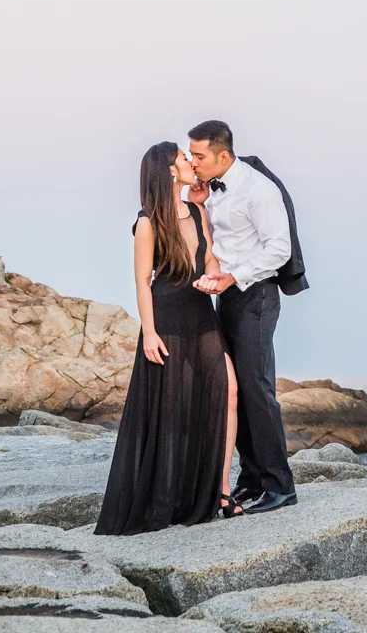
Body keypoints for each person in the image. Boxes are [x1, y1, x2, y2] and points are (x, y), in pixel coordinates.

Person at [95, 142, 244, 535]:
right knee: (172, 406)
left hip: (201, 313)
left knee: (226, 390)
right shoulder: (147, 222)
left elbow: (210, 256)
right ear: (168, 171)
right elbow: (143, 281)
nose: (190, 162)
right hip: (166, 319)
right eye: (183, 158)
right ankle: (166, 495)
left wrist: (212, 276)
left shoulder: (197, 211)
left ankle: (222, 490)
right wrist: (148, 332)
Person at [188, 120, 298, 514]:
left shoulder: (258, 189)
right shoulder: (211, 190)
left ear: (222, 155)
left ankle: (280, 486)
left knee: (256, 387)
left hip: (257, 296)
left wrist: (234, 276)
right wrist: (199, 204)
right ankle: (252, 479)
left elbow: (279, 249)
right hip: (226, 297)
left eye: (198, 155)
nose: (192, 162)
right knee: (232, 391)